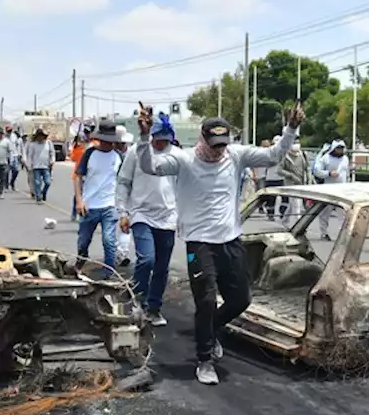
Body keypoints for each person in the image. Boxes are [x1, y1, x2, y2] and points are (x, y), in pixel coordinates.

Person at [136, 106, 303, 385]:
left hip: (230, 240)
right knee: (206, 300)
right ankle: (205, 361)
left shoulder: (236, 155)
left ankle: (209, 329)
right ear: (202, 139)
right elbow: (149, 166)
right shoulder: (184, 160)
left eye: (223, 145)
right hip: (199, 243)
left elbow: (273, 155)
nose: (218, 151)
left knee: (241, 300)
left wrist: (291, 129)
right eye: (214, 146)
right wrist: (143, 138)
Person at [117, 113, 177, 326]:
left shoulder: (177, 155)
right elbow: (124, 182)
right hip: (141, 214)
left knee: (162, 267)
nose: (161, 143)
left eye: (165, 140)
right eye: (157, 138)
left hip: (168, 217)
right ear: (151, 136)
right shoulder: (137, 151)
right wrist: (123, 212)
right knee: (147, 259)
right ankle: (137, 299)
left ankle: (154, 307)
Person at [74, 119, 123, 274]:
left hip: (109, 205)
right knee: (83, 241)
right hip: (89, 206)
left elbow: (123, 183)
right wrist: (79, 201)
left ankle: (109, 271)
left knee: (109, 240)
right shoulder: (90, 153)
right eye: (105, 141)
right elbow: (77, 176)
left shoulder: (118, 157)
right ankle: (81, 261)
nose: (108, 144)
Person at [311, 140, 350, 240]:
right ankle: (323, 232)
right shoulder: (325, 158)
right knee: (325, 213)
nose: (340, 150)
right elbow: (317, 171)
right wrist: (328, 173)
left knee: (343, 213)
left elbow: (347, 173)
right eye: (338, 148)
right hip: (328, 189)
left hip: (342, 191)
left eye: (342, 148)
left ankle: (342, 235)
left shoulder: (345, 159)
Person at [277, 138, 312, 221]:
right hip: (291, 184)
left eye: (298, 142)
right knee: (297, 204)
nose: (296, 144)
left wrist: (309, 178)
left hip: (302, 183)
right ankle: (298, 222)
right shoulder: (285, 156)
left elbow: (308, 168)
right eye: (294, 142)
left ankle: (285, 221)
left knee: (292, 204)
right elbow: (279, 170)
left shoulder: (303, 154)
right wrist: (291, 175)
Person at [25, 128, 54, 203]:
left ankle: (43, 192)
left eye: (42, 136)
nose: (40, 137)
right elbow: (30, 156)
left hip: (45, 166)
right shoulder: (33, 145)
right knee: (37, 182)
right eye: (39, 136)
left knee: (48, 182)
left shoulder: (48, 143)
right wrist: (29, 165)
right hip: (36, 166)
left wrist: (52, 160)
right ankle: (38, 197)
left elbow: (52, 153)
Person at [69, 134, 87, 221]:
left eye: (84, 141)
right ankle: (74, 212)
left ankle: (83, 214)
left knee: (86, 195)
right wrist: (75, 148)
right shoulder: (78, 150)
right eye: (81, 141)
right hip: (78, 175)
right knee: (78, 195)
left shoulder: (90, 150)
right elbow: (72, 158)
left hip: (88, 176)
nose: (82, 143)